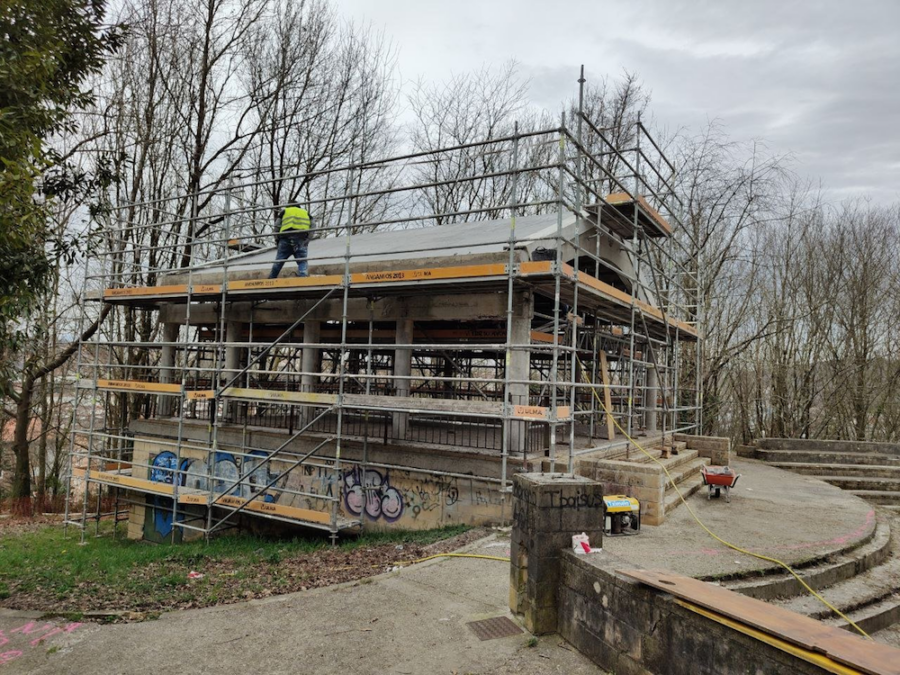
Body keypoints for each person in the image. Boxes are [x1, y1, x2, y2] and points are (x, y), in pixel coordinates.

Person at [268, 204, 313, 278]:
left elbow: (277, 226)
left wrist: (277, 239)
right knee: (302, 261)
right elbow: (313, 226)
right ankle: (303, 277)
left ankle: (271, 278)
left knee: (279, 261)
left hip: (285, 238)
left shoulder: (285, 211)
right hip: (301, 239)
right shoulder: (305, 212)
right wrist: (308, 239)